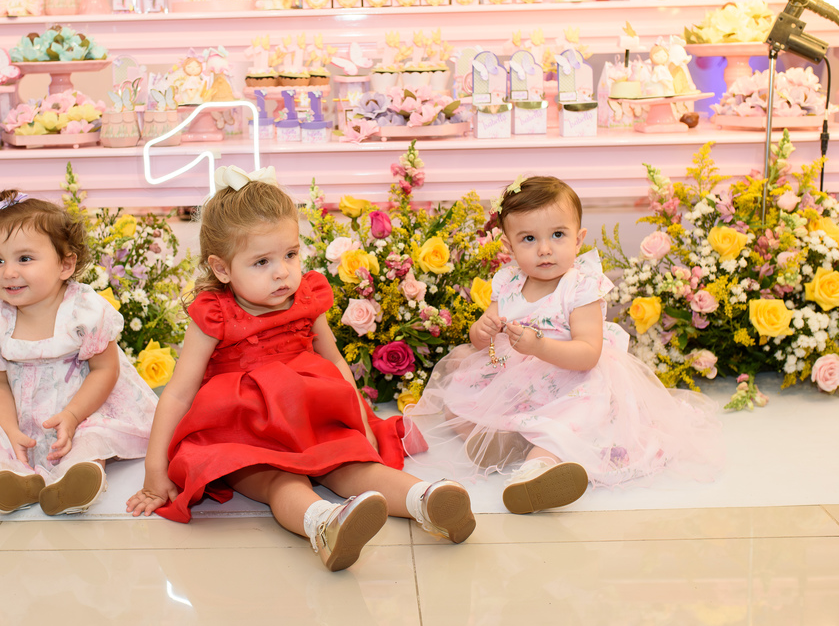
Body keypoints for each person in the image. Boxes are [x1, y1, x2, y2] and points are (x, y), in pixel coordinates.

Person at [126, 166, 475, 571]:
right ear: (222, 269)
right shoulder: (214, 313)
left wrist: (361, 423)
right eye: (261, 262)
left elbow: (335, 360)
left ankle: (426, 499)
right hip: (245, 430)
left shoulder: (306, 297)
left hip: (311, 416)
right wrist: (155, 468)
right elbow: (178, 393)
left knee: (352, 464)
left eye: (290, 255)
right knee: (279, 480)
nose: (282, 272)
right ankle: (325, 523)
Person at [403, 175, 723, 514]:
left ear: (578, 238)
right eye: (529, 238)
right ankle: (508, 441)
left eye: (557, 235)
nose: (544, 249)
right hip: (517, 379)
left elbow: (588, 354)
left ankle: (537, 472)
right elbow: (483, 342)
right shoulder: (509, 282)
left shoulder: (580, 287)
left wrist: (538, 347)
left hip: (571, 380)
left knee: (569, 423)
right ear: (509, 247)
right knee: (458, 403)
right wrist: (482, 331)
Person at [0, 191, 157, 516]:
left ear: (65, 265)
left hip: (79, 405)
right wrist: (9, 429)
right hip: (8, 408)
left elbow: (105, 370)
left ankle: (78, 477)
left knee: (94, 433)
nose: (8, 272)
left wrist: (73, 415)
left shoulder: (84, 310)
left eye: (25, 259)